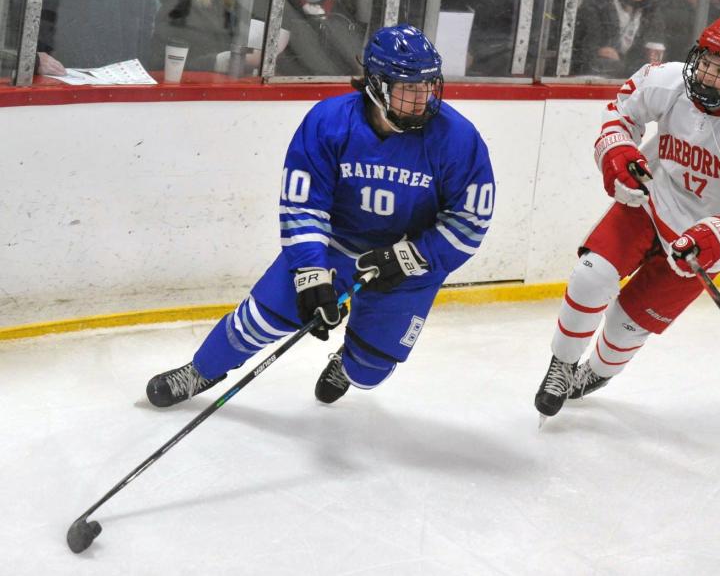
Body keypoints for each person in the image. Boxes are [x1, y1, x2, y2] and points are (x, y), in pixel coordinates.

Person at [145, 25, 495, 408]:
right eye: (409, 88)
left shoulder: (458, 138)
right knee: (258, 320)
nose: (423, 99)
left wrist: (408, 257)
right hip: (334, 247)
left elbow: (470, 220)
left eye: (428, 86)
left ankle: (347, 363)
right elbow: (303, 205)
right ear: (376, 85)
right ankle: (200, 371)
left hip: (410, 261)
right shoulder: (329, 122)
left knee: (369, 371)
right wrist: (312, 275)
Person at [534, 13, 720, 418]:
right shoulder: (667, 80)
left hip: (700, 239)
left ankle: (593, 374)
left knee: (626, 324)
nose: (707, 74)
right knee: (591, 275)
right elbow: (620, 113)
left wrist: (713, 240)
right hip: (649, 201)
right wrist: (619, 154)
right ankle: (561, 366)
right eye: (705, 60)